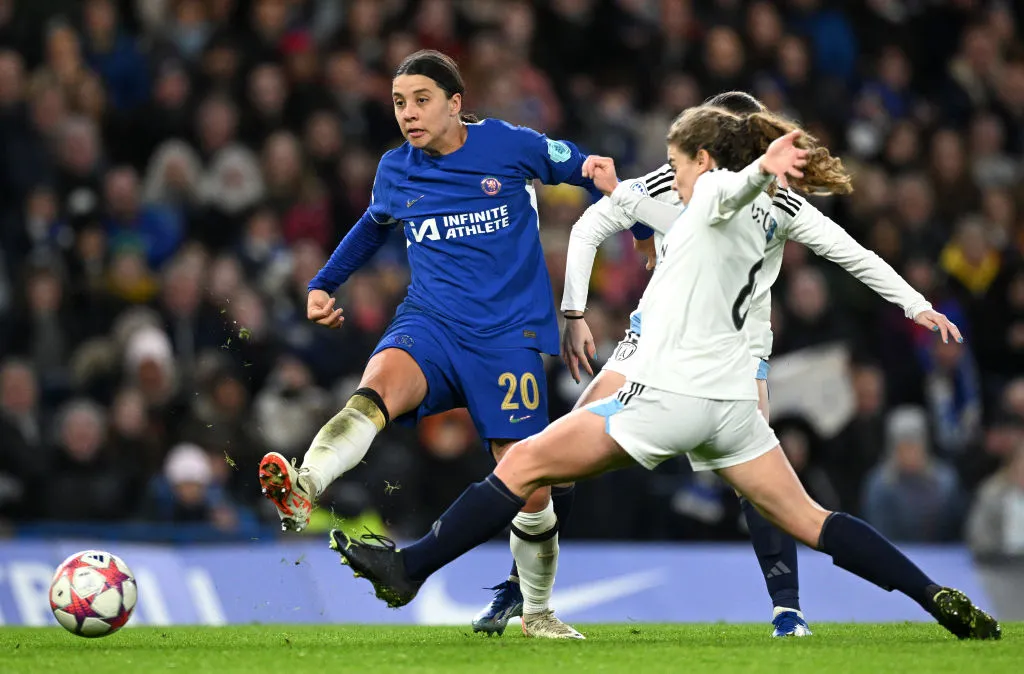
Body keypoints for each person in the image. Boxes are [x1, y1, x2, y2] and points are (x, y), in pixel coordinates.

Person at [328, 106, 1001, 641]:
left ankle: (411, 569)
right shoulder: (783, 210)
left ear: (703, 161)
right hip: (733, 408)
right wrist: (917, 303)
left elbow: (726, 193)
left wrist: (761, 166)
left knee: (526, 462)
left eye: (677, 166)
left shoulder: (712, 191)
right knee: (813, 520)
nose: (669, 181)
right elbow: (852, 253)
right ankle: (934, 596)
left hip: (669, 396)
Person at [479, 91, 958, 639]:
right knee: (560, 450)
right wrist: (575, 310)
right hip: (655, 339)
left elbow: (849, 253)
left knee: (758, 484)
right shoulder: (677, 180)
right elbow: (592, 227)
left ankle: (787, 610)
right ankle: (523, 588)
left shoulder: (774, 198)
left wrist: (914, 303)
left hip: (741, 348)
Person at [255, 50, 638, 639]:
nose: (408, 114)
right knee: (373, 391)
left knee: (527, 486)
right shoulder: (395, 168)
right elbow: (371, 225)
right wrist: (323, 284)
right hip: (430, 324)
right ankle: (306, 485)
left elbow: (590, 169)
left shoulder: (509, 146)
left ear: (456, 103)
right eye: (399, 103)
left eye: (421, 100)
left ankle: (536, 611)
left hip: (508, 338)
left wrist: (623, 218)